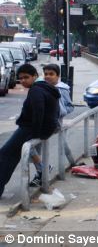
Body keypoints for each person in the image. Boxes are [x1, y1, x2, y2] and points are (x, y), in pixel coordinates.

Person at [0, 64, 60, 198]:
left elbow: (39, 112)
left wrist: (36, 134)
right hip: (38, 128)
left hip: (29, 129)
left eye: (26, 78)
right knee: (11, 156)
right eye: (20, 79)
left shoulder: (36, 90)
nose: (23, 81)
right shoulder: (46, 88)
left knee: (5, 155)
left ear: (35, 76)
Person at [29, 64, 76, 187]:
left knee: (29, 146)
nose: (48, 77)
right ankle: (41, 173)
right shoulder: (41, 87)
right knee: (33, 148)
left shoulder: (62, 89)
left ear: (58, 76)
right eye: (46, 74)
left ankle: (43, 169)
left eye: (51, 74)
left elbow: (70, 106)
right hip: (43, 123)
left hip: (54, 124)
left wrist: (58, 111)